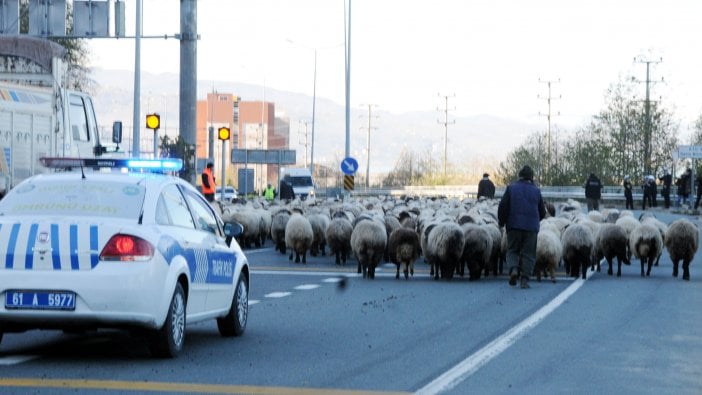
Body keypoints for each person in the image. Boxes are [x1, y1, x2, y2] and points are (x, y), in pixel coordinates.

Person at [498, 165, 546, 289]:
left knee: (512, 250)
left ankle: (514, 269)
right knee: (529, 253)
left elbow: (503, 206)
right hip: (531, 228)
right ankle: (524, 279)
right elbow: (542, 210)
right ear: (531, 177)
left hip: (513, 225)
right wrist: (536, 221)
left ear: (519, 176)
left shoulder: (511, 189)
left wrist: (502, 222)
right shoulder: (536, 191)